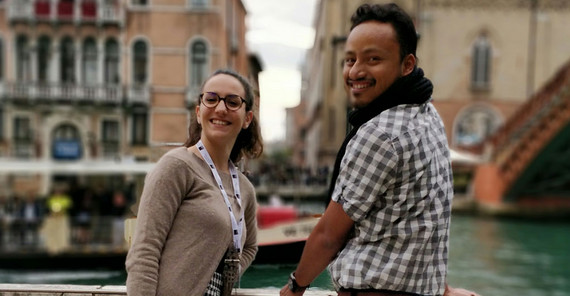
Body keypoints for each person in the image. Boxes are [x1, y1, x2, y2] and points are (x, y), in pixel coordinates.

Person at [280, 3, 479, 296]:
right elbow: (426, 219)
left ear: (406, 64)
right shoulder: (427, 112)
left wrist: (295, 288)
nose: (356, 71)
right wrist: (443, 288)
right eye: (350, 60)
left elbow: (327, 237)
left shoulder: (379, 134)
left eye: (373, 59)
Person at [126, 68, 263, 296]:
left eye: (232, 102)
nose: (220, 108)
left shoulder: (245, 189)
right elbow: (144, 252)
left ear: (247, 118)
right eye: (211, 99)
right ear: (199, 112)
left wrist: (222, 276)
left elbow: (250, 247)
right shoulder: (176, 166)